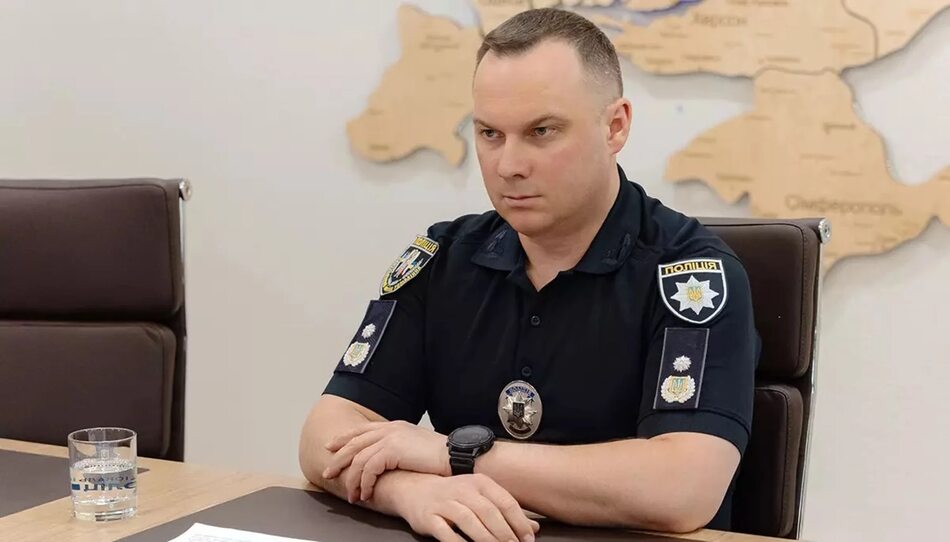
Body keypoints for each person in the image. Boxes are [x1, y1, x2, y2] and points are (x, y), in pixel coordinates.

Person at [299, 8, 758, 542]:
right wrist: (409, 491)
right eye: (490, 133)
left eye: (542, 131)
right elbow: (323, 437)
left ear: (615, 126)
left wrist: (453, 455)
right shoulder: (443, 258)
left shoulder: (692, 279)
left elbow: (683, 488)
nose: (508, 165)